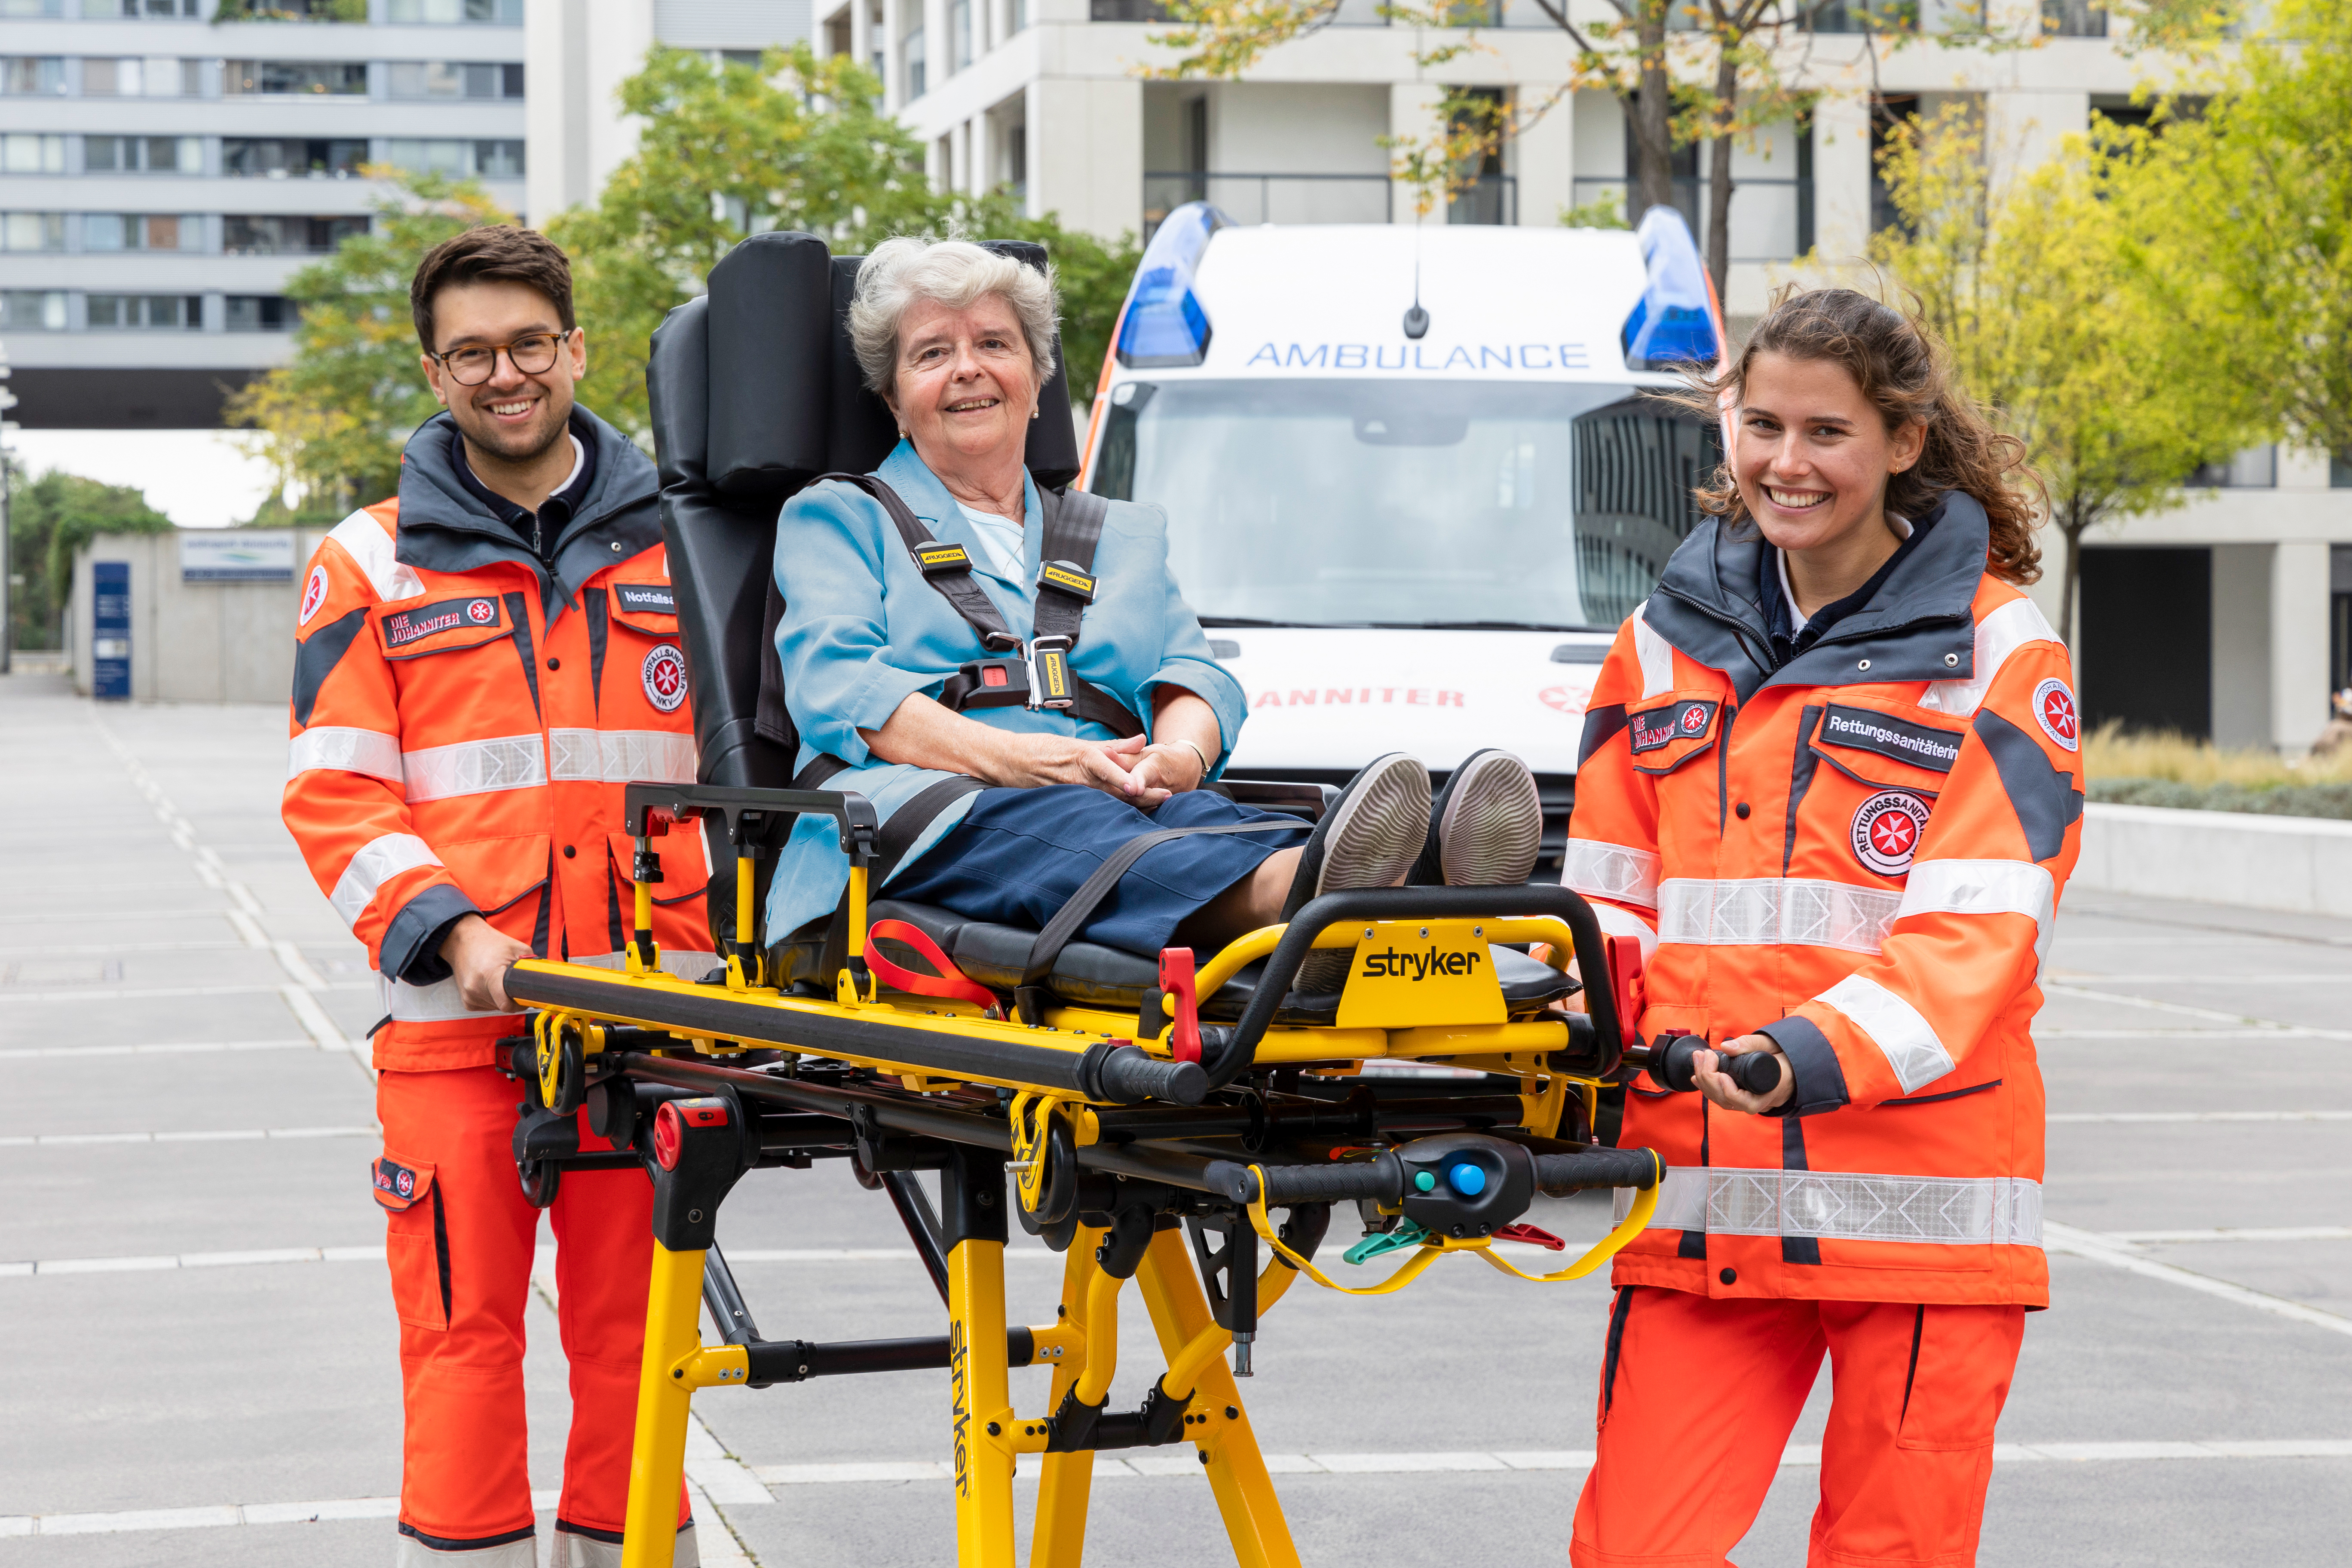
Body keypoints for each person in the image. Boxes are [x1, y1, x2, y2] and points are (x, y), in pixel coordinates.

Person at [1564, 288, 2079, 1567]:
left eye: (1828, 433)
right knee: (1635, 1552)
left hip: (1923, 1221)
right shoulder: (1656, 644)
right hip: (1702, 1207)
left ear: (1903, 442)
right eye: (1764, 426)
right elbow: (1607, 903)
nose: (1788, 464)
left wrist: (1804, 1053)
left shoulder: (2002, 651)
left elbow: (1978, 930)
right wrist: (1573, 1031)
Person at [764, 236, 1547, 988]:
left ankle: (1414, 882)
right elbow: (842, 688)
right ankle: (1304, 898)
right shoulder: (838, 518)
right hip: (917, 823)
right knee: (1081, 827)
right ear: (894, 401)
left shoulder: (1121, 535)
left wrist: (1179, 757)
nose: (969, 369)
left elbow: (1192, 673)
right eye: (933, 353)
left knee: (1214, 818)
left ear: (1037, 381)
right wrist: (1026, 761)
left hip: (1117, 798)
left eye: (995, 345)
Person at [282, 226, 704, 1568]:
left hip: (643, 1026)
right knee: (462, 1348)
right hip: (458, 1033)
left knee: (642, 1350)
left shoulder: (686, 548)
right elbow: (336, 795)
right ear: (435, 369)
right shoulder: (369, 560)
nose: (504, 373)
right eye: (473, 352)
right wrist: (456, 935)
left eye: (529, 344)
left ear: (574, 349)